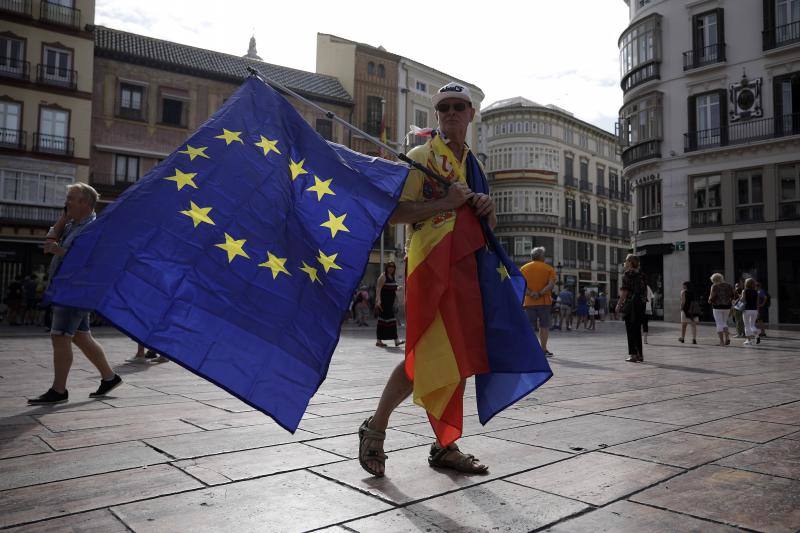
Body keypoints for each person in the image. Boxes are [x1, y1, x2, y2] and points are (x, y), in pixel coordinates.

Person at [358, 82, 495, 478]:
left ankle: (445, 445)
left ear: (470, 114)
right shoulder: (420, 157)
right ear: (436, 116)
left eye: (458, 107)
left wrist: (486, 208)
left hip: (466, 271)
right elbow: (394, 212)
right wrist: (445, 202)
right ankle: (376, 427)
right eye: (444, 108)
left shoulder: (476, 167)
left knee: (460, 357)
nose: (451, 113)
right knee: (423, 354)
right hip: (429, 268)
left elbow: (488, 226)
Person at [27, 183, 122, 405]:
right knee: (80, 335)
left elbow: (88, 260)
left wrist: (58, 250)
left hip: (75, 289)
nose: (67, 201)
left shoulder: (94, 228)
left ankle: (59, 390)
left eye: (71, 198)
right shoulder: (72, 224)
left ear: (85, 204)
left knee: (59, 336)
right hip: (68, 288)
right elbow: (49, 242)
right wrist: (62, 220)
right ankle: (109, 377)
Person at [520, 246, 556, 356]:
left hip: (529, 302)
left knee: (530, 326)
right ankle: (543, 349)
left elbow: (521, 285)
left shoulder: (523, 269)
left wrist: (531, 293)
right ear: (542, 257)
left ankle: (530, 349)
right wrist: (540, 293)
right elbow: (550, 285)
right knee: (544, 326)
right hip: (544, 302)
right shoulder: (549, 269)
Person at [617, 254, 647, 362]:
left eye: (626, 261)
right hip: (640, 305)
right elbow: (644, 291)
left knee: (630, 330)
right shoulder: (642, 274)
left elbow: (624, 292)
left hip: (630, 305)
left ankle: (633, 355)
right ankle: (640, 355)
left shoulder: (627, 274)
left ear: (630, 262)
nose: (625, 263)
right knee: (637, 330)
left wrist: (619, 304)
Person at [375, 262, 405, 348]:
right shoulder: (383, 276)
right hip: (384, 304)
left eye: (393, 267)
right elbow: (378, 289)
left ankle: (379, 341)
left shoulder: (392, 277)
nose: (391, 268)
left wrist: (399, 287)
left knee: (383, 322)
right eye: (389, 267)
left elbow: (393, 288)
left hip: (389, 304)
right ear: (386, 267)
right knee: (390, 321)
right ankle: (396, 340)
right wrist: (378, 300)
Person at [708, 273, 734, 347]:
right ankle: (727, 338)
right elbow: (733, 295)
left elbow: (712, 296)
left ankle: (721, 342)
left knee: (719, 323)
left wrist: (709, 300)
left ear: (714, 280)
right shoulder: (729, 285)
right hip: (727, 307)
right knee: (724, 322)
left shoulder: (714, 286)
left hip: (717, 307)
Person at [740, 278, 759, 346]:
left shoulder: (744, 291)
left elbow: (742, 300)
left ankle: (749, 340)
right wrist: (757, 310)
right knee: (752, 325)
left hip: (746, 310)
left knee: (747, 325)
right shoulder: (756, 291)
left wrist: (740, 297)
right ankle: (756, 335)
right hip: (754, 310)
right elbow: (757, 302)